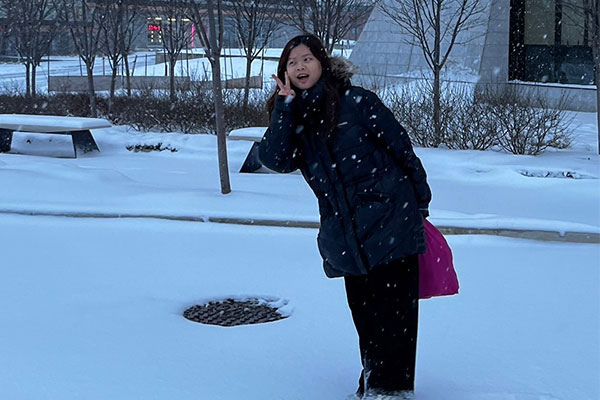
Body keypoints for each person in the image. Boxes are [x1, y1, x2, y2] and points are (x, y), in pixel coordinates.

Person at [259, 34, 431, 399]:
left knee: (395, 317)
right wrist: (285, 109)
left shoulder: (357, 102)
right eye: (292, 63)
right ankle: (373, 382)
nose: (300, 67)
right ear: (283, 73)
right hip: (345, 232)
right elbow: (275, 159)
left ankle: (391, 390)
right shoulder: (295, 117)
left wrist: (420, 202)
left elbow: (401, 149)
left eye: (306, 59)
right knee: (366, 318)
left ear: (322, 62)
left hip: (389, 219)